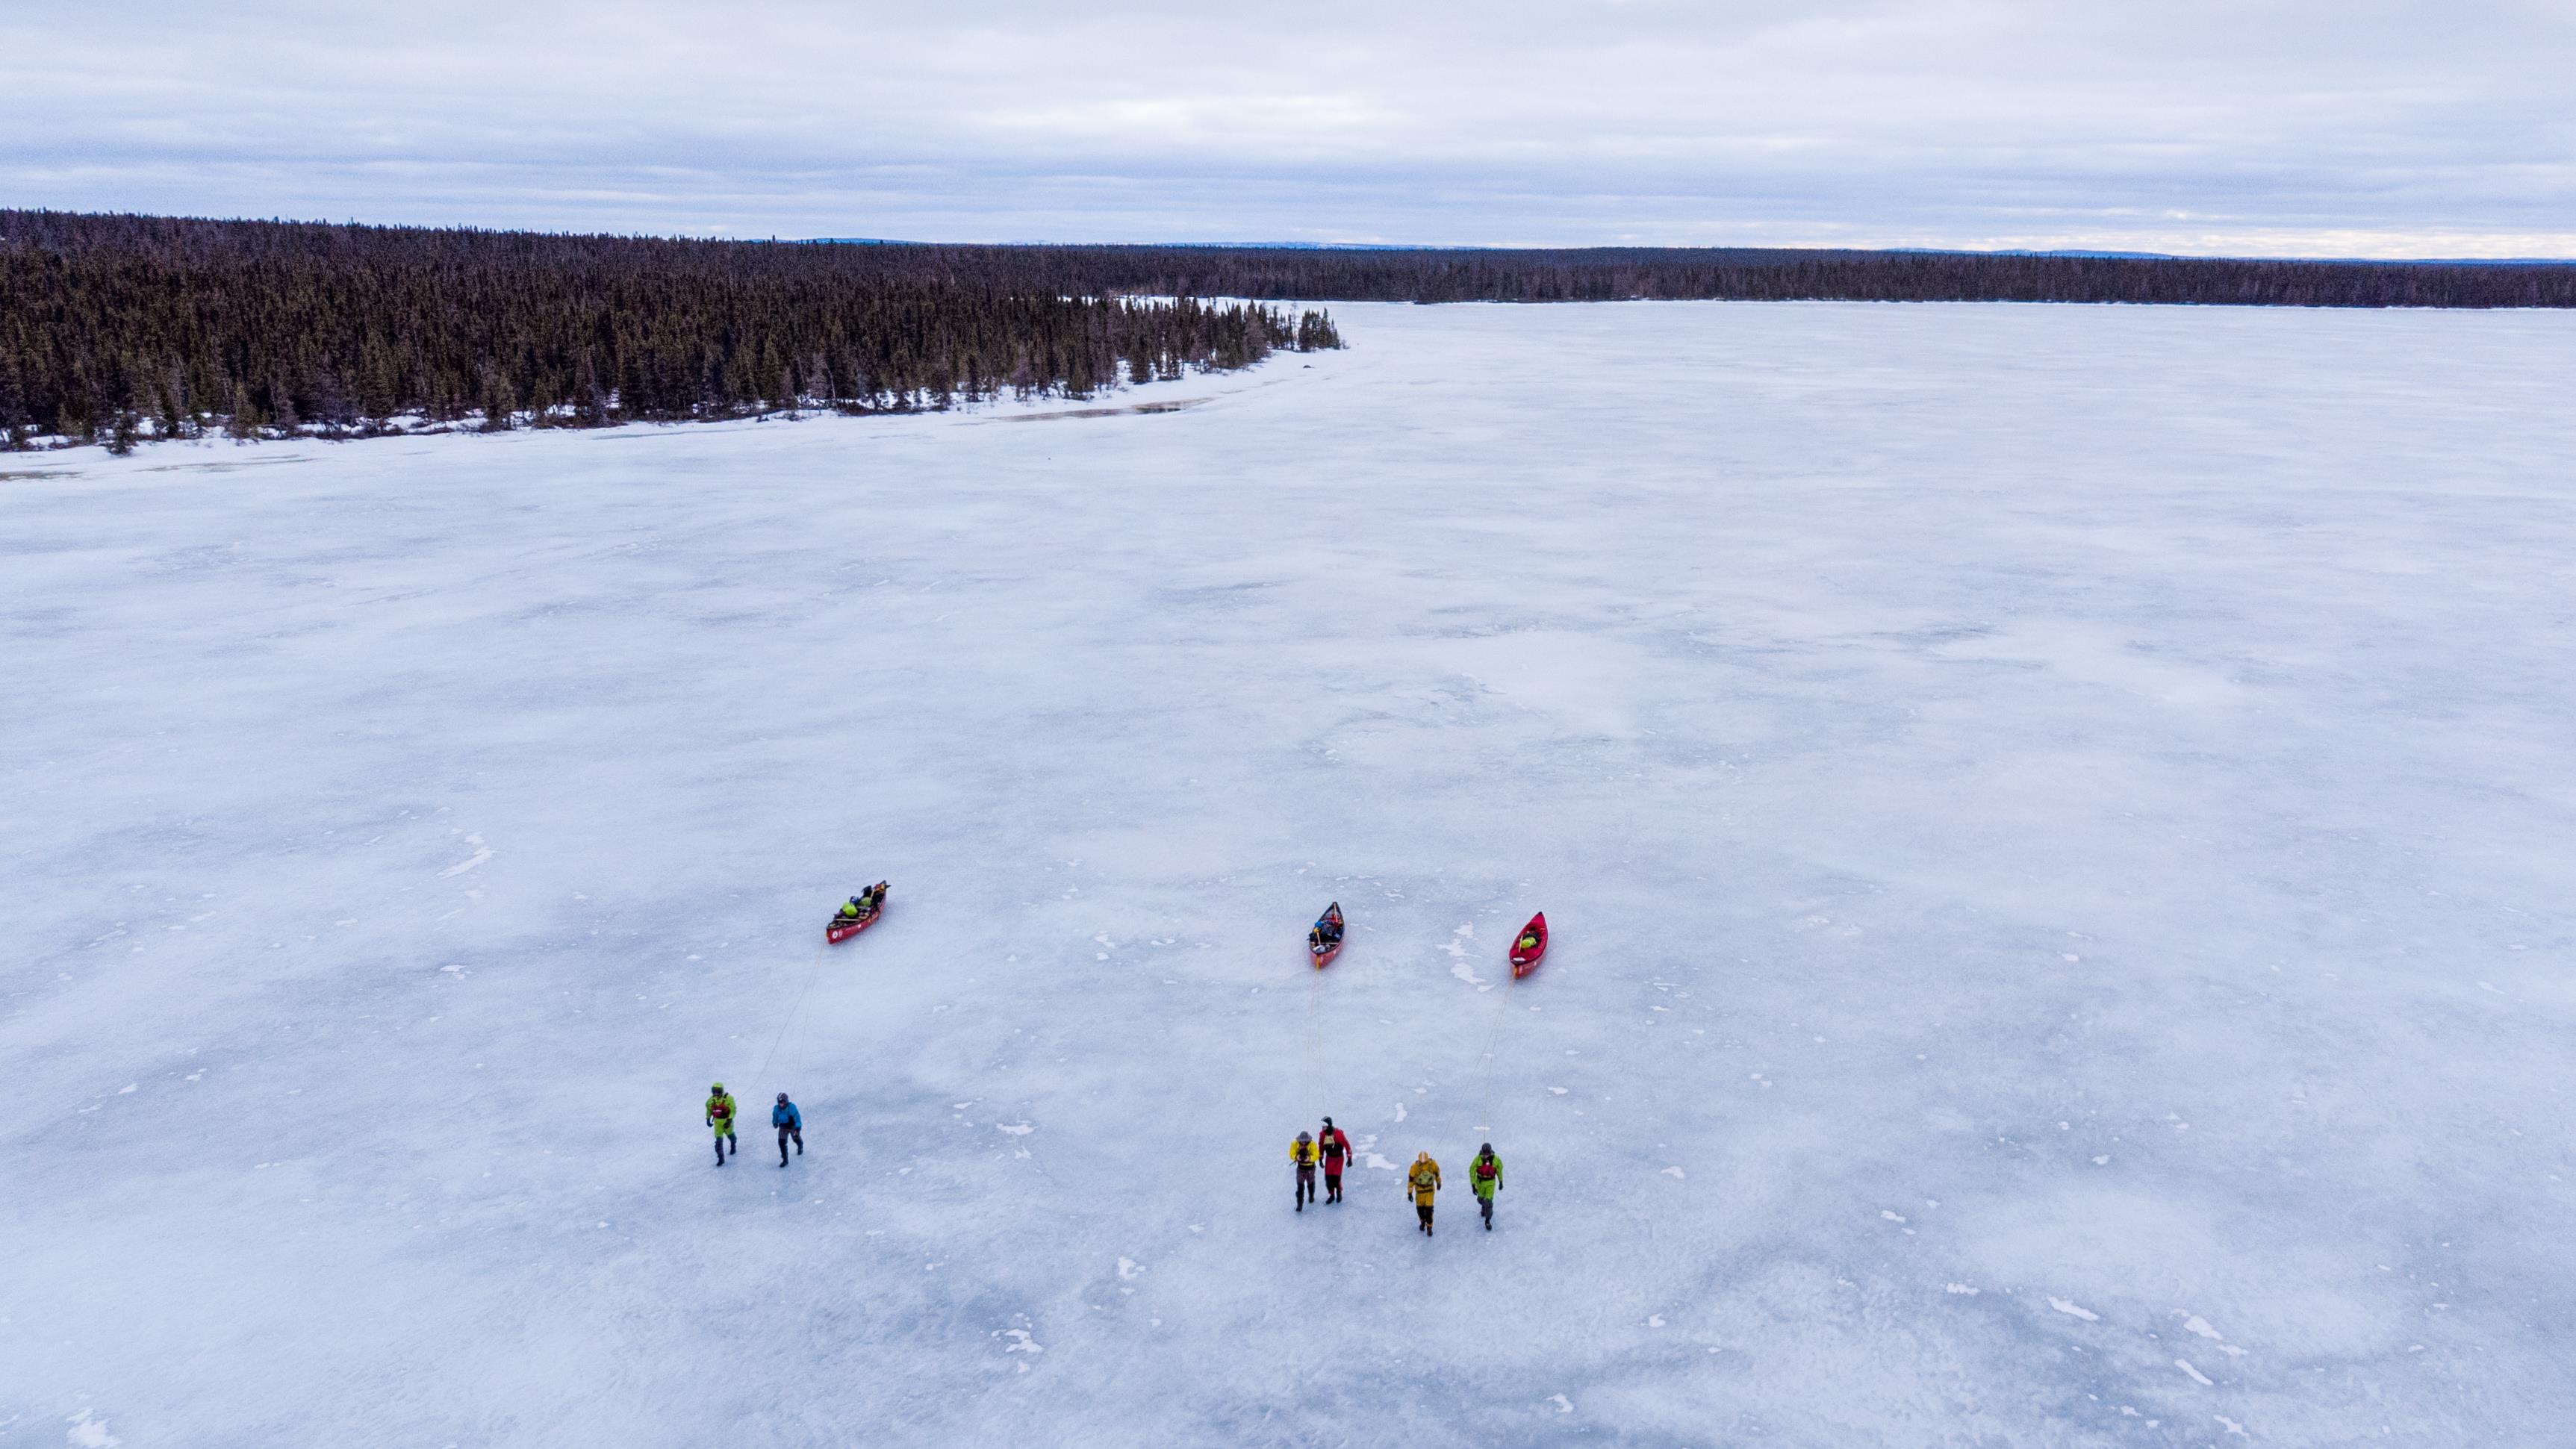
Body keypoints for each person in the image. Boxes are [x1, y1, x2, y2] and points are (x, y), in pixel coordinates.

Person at [1317, 1117, 1352, 1203]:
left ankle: (1339, 1192)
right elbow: (1321, 1146)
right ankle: (1332, 1195)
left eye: (1324, 1126)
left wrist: (1349, 1158)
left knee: (1336, 1178)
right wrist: (1320, 1158)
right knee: (1328, 1178)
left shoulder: (1338, 1134)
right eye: (1322, 1126)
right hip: (1329, 1159)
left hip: (1338, 1159)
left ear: (1329, 1125)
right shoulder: (1323, 1135)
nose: (1323, 1128)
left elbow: (1346, 1145)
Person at [1470, 1143, 1504, 1230]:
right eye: (1484, 1154)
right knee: (1480, 1199)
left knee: (1488, 1202)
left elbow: (1499, 1170)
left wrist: (1501, 1181)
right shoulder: (1477, 1160)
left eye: (1487, 1154)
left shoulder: (1496, 1160)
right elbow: (1472, 1171)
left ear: (1490, 1152)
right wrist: (1473, 1184)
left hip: (1490, 1183)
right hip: (1480, 1183)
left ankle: (1487, 1220)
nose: (1486, 1156)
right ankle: (1484, 1206)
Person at [1408, 1151, 1442, 1235]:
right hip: (1419, 1193)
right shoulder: (1414, 1167)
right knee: (1420, 1210)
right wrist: (1410, 1192)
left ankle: (1429, 1227)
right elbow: (1411, 1180)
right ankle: (1422, 1221)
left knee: (1429, 1210)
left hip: (1429, 1192)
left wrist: (1439, 1183)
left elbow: (1437, 1174)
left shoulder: (1433, 1164)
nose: (1423, 1163)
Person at [705, 1082, 738, 1165]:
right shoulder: (711, 1100)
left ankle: (733, 1144)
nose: (716, 1094)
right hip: (717, 1123)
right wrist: (708, 1119)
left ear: (721, 1091)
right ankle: (721, 1158)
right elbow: (709, 1110)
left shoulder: (729, 1098)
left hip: (727, 1122)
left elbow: (733, 1110)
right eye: (714, 1092)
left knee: (731, 1136)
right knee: (719, 1141)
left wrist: (730, 1120)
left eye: (718, 1091)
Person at [773, 1092, 804, 1168]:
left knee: (796, 1138)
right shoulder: (776, 1109)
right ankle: (785, 1159)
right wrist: (775, 1122)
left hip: (792, 1126)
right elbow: (775, 1116)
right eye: (779, 1102)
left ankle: (800, 1145)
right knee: (782, 1142)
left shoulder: (792, 1107)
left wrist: (798, 1127)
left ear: (786, 1101)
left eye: (782, 1102)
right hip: (783, 1127)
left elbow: (797, 1117)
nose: (781, 1104)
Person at [1290, 1131, 1319, 1211]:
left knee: (1311, 1183)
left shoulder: (1313, 1144)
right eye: (1302, 1141)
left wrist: (1309, 1158)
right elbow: (1291, 1153)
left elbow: (1316, 1155)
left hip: (1311, 1168)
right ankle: (1299, 1204)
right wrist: (1296, 1157)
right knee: (1300, 1187)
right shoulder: (1294, 1144)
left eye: (1305, 1141)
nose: (1303, 1143)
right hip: (1300, 1169)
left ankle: (1311, 1195)